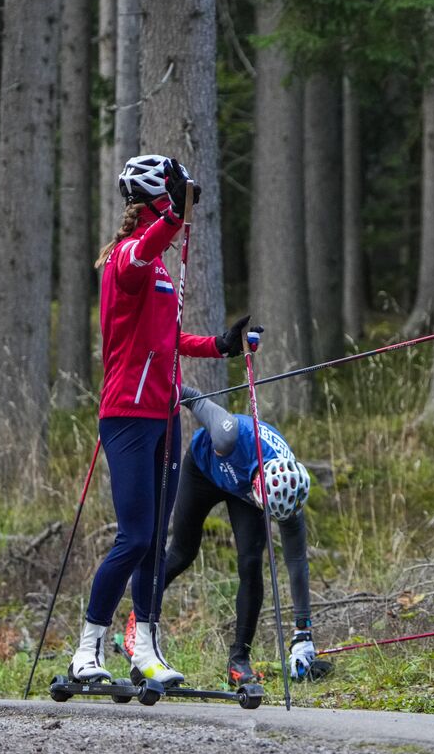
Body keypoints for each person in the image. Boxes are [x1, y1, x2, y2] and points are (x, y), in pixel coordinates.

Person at [68, 154, 260, 686]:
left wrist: (219, 345)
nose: (183, 218)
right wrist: (175, 214)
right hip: (126, 416)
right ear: (157, 202)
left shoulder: (157, 269)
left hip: (163, 415)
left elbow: (167, 342)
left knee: (155, 540)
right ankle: (88, 652)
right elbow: (148, 245)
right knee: (132, 537)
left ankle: (145, 651)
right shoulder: (128, 258)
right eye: (176, 202)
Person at [149, 384, 326, 685]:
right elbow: (192, 396)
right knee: (183, 551)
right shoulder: (228, 434)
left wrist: (303, 633)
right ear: (261, 484)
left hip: (243, 492)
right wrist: (167, 391)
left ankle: (238, 659)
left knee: (251, 563)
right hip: (203, 470)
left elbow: (296, 561)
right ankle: (141, 623)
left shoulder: (288, 492)